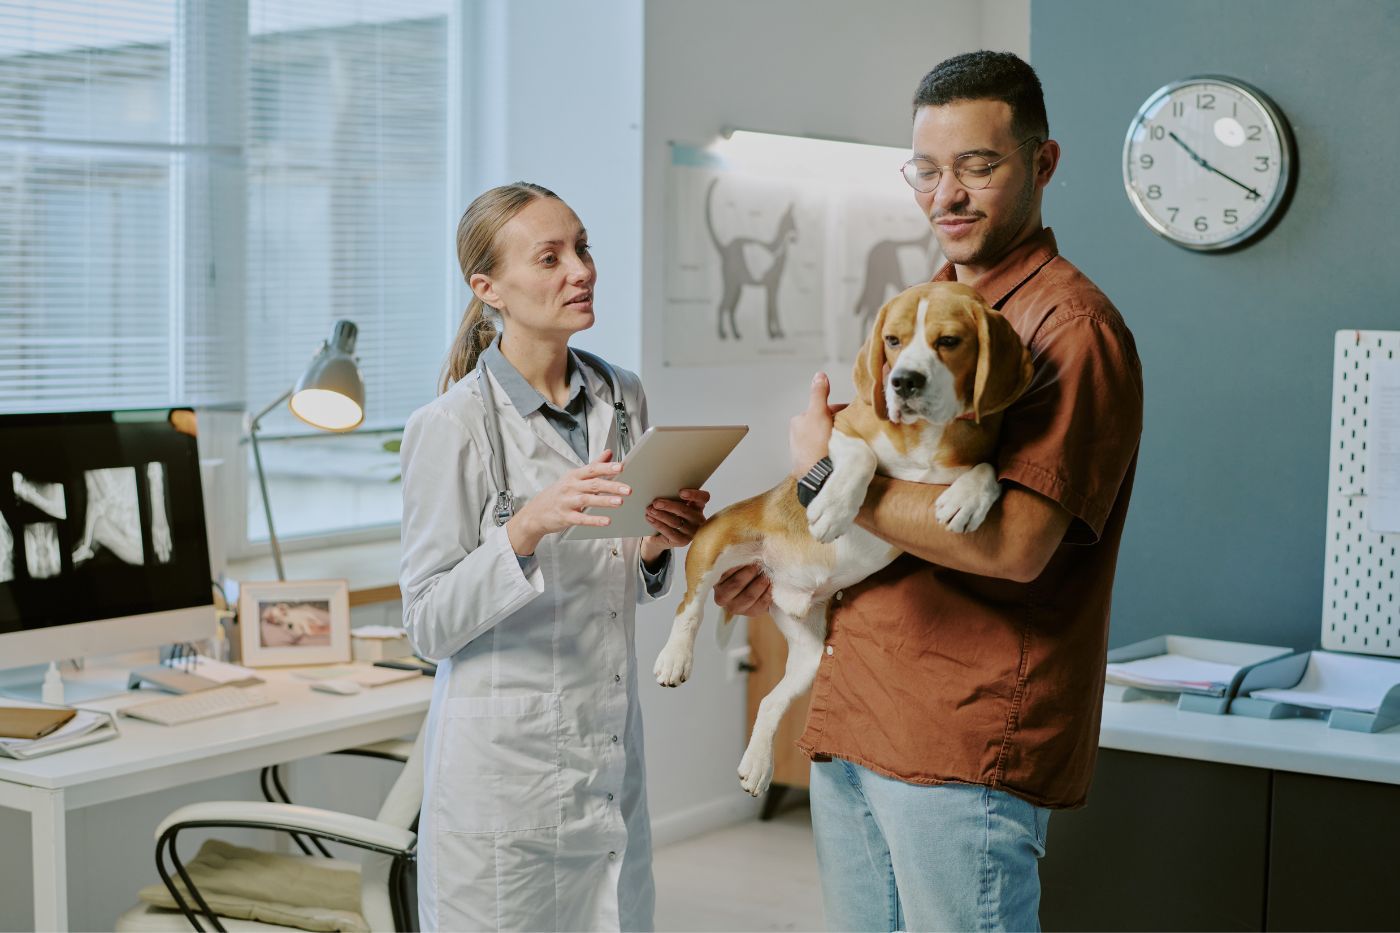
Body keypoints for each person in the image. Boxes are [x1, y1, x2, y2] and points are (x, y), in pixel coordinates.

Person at [717, 51, 1144, 931]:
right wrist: (802, 556)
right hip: (858, 714)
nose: (945, 194)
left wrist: (830, 475)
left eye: (977, 166)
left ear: (1042, 164)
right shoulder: (923, 311)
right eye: (927, 169)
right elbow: (894, 521)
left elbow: (1014, 544)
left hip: (962, 744)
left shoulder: (1071, 330)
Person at [399, 182, 708, 931]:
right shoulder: (451, 425)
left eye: (583, 247)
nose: (581, 269)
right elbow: (427, 624)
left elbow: (618, 582)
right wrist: (523, 530)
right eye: (550, 257)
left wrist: (658, 544)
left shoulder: (622, 398)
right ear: (489, 289)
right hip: (503, 784)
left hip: (607, 761)